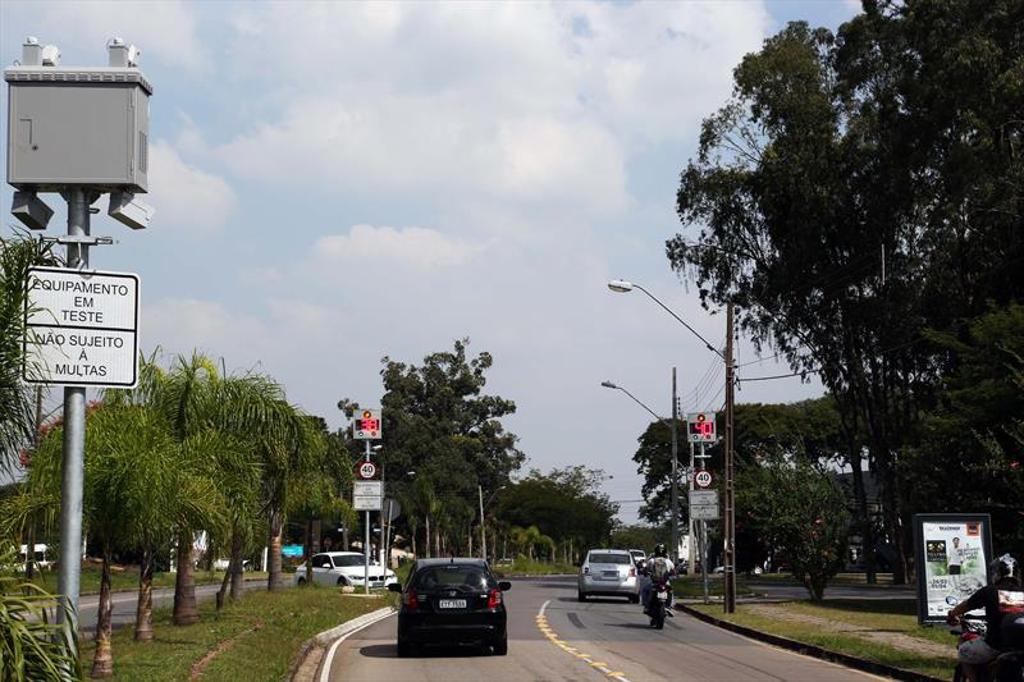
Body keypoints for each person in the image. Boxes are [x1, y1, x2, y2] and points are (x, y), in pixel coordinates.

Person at [947, 554, 1024, 682]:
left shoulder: (990, 591)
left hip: (995, 645)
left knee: (963, 652)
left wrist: (953, 614)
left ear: (997, 573)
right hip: (1020, 646)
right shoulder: (1022, 591)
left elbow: (965, 606)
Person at [641, 543, 676, 617]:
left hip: (654, 582)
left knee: (645, 590)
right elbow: (673, 572)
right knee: (670, 591)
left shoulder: (652, 561)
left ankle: (646, 607)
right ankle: (669, 607)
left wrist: (645, 572)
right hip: (665, 582)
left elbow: (645, 570)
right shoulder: (668, 561)